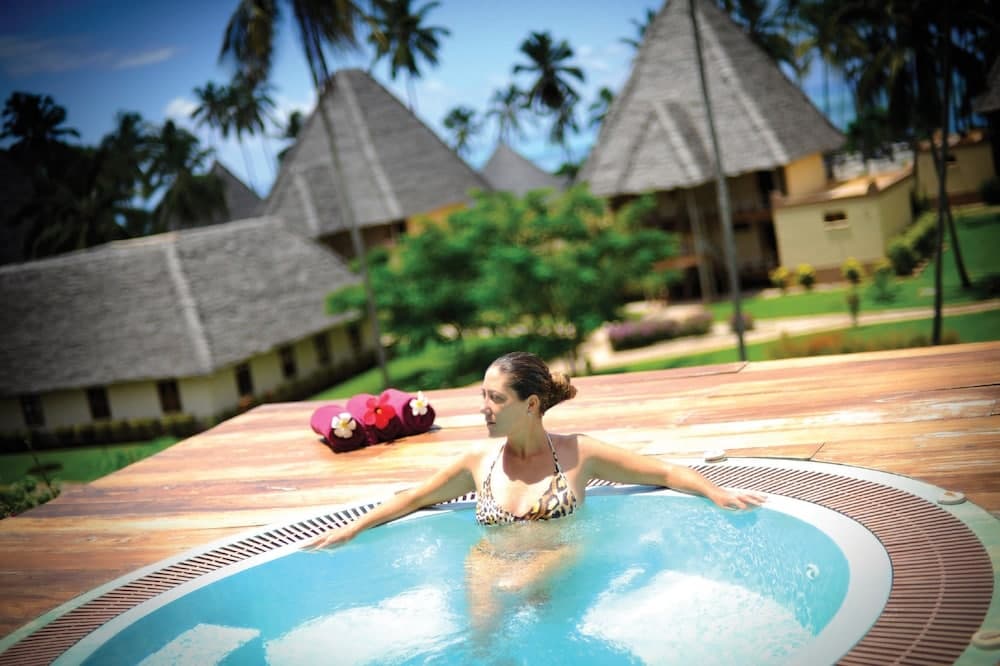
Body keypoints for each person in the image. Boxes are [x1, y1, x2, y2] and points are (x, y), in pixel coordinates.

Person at [310, 351, 765, 551]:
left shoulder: (579, 454)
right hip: (488, 566)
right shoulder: (478, 462)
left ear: (530, 405)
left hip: (557, 558)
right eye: (483, 396)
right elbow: (412, 497)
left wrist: (715, 492)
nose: (484, 408)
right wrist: (352, 529)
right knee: (484, 643)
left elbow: (663, 472)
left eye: (495, 399)